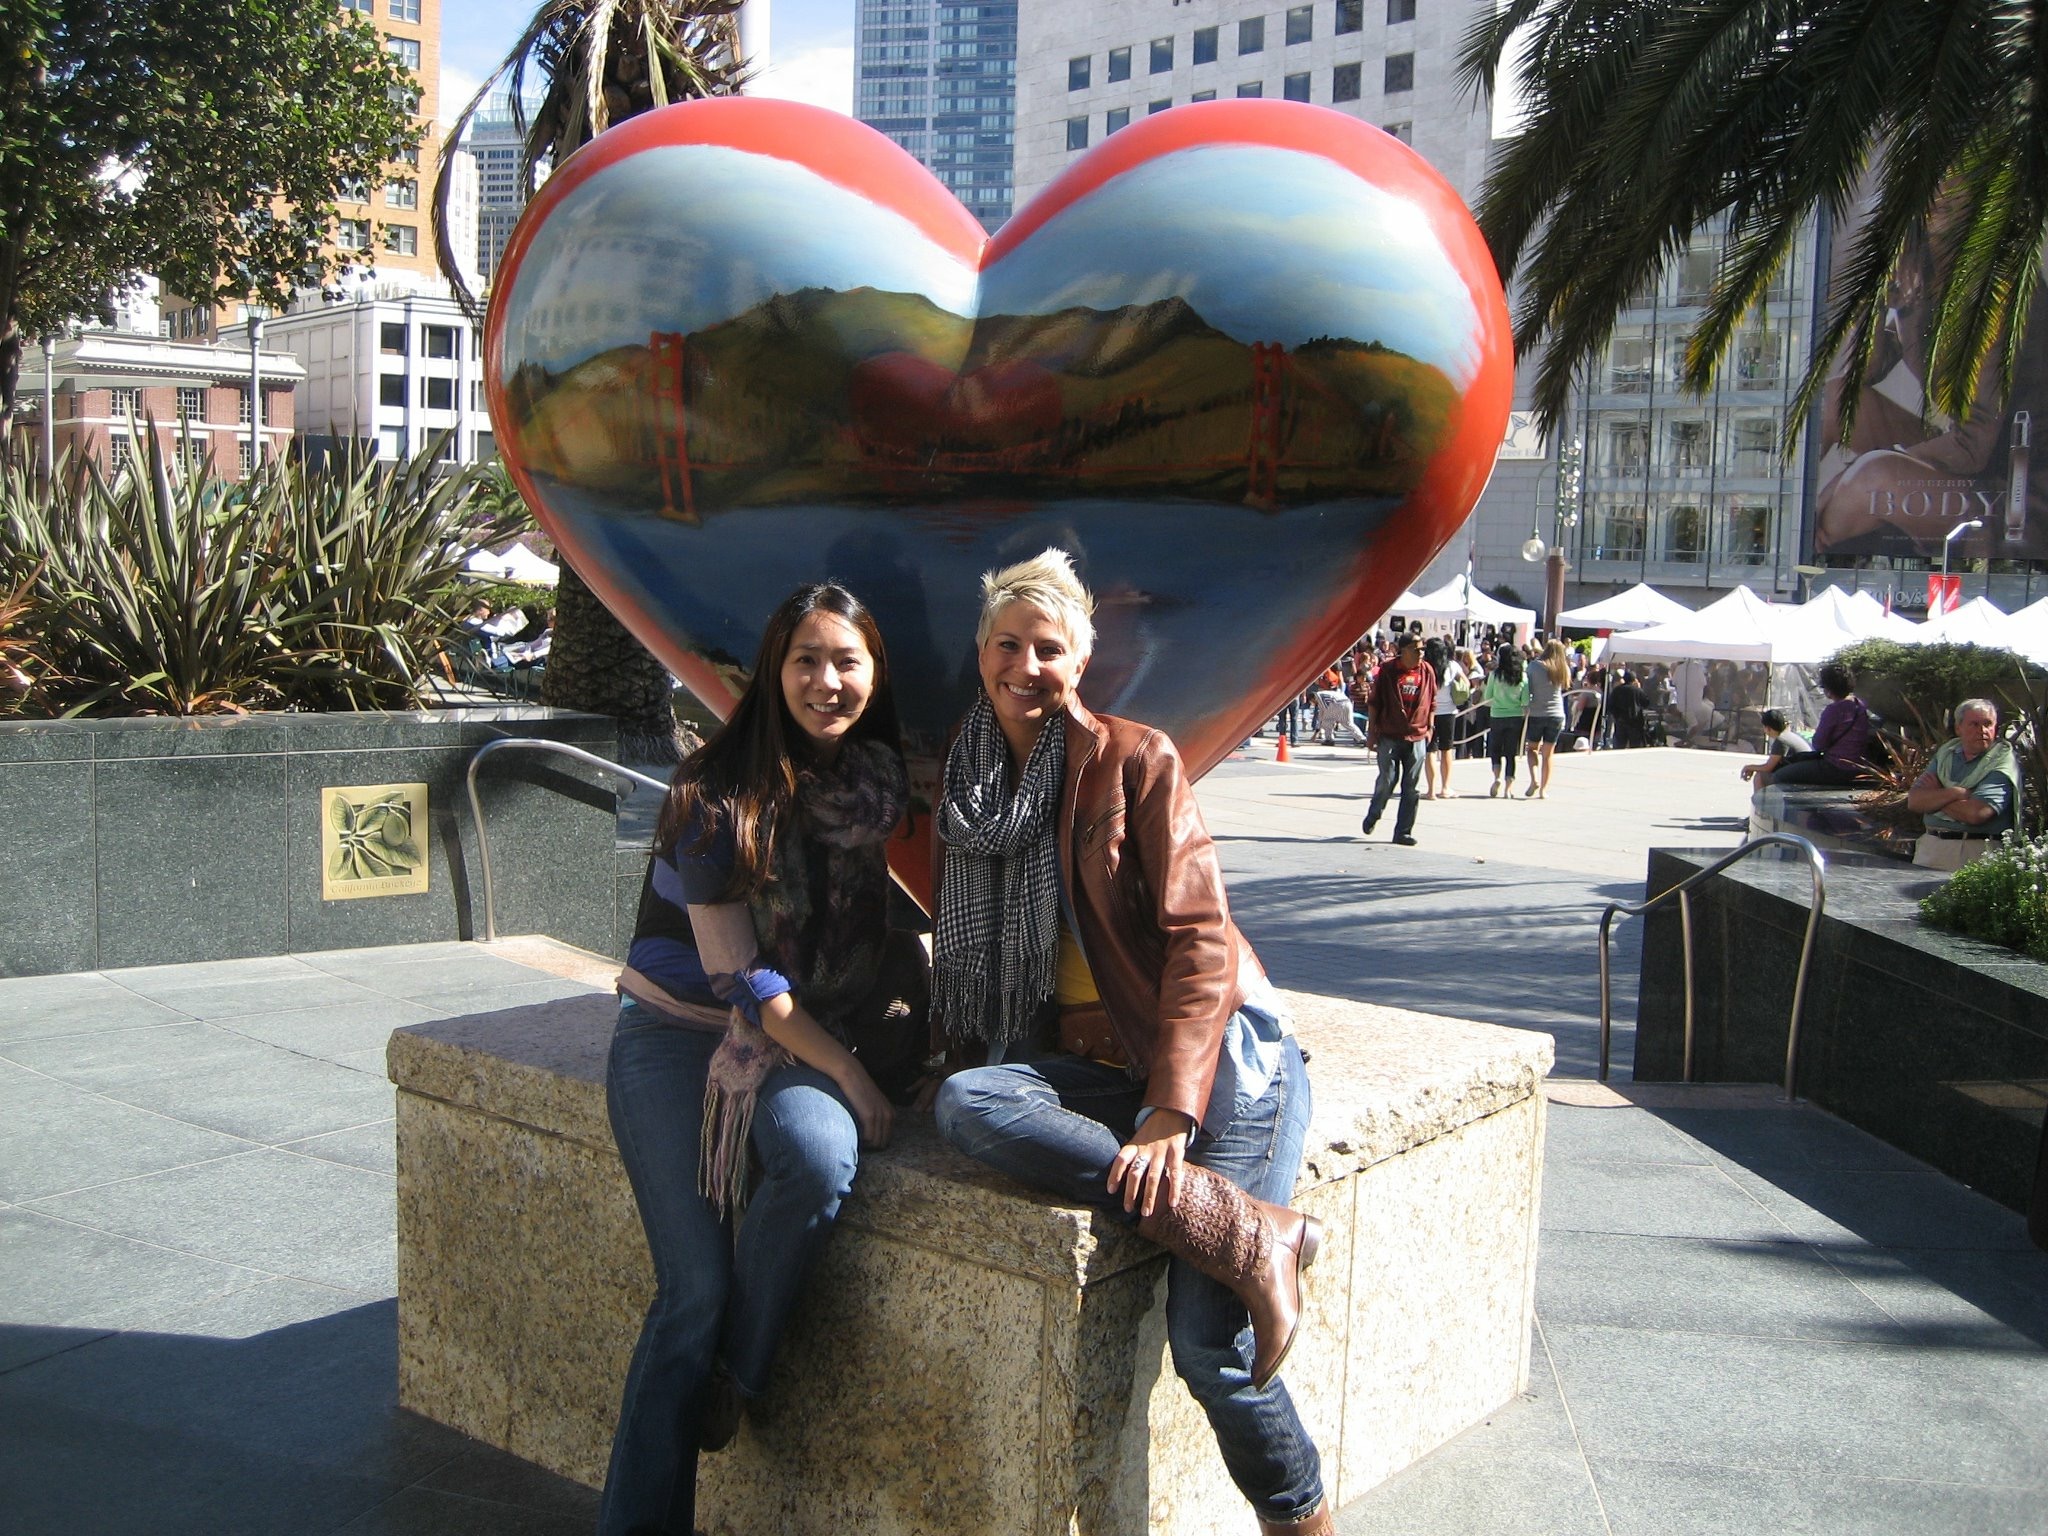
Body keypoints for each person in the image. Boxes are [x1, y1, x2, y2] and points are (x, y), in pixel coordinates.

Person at [929, 550, 1332, 1536]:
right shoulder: (972, 784)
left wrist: (1169, 1112)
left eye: (1048, 648)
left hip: (1223, 1060)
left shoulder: (1133, 759)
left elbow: (1201, 940)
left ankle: (1301, 1519)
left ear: (1082, 660)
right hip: (1100, 1065)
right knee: (967, 1101)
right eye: (1008, 645)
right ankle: (1248, 1230)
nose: (1027, 666)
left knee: (1210, 1348)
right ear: (981, 654)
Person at [601, 582, 920, 1536]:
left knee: (820, 1156)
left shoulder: (874, 785)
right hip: (678, 1036)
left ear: (875, 674)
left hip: (789, 1041)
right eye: (805, 661)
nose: (827, 682)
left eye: (847, 661)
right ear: (774, 673)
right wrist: (852, 1073)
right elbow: (746, 983)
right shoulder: (713, 794)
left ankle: (732, 1378)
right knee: (691, 1292)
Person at [1906, 698, 2022, 856]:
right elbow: (1915, 801)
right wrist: (1955, 793)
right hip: (1931, 846)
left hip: (1975, 850)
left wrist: (1936, 795)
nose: (1982, 730)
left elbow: (1976, 813)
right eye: (1974, 724)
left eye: (1988, 724)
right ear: (1958, 728)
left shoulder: (2001, 760)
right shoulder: (1946, 753)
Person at [1362, 632, 1436, 844]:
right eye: (1416, 649)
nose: (1420, 653)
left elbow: (1432, 701)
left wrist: (1430, 728)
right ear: (1402, 651)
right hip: (1390, 735)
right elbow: (1374, 703)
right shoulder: (1387, 670)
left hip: (1417, 736)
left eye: (1422, 649)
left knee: (1411, 786)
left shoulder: (1427, 671)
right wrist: (1371, 733)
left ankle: (1403, 831)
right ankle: (1375, 812)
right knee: (1387, 779)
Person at [1756, 662, 1873, 788]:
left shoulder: (1834, 710)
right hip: (1859, 767)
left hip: (1835, 767)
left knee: (1779, 776)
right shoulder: (1860, 705)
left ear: (1829, 689)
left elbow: (1818, 744)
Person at [1523, 639, 1570, 798]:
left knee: (1532, 749)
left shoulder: (1534, 666)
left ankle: (1534, 779)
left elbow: (1527, 687)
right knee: (1548, 753)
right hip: (1556, 713)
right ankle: (1543, 790)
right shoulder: (1563, 668)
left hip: (1537, 712)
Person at [1423, 638, 1468, 798]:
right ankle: (1445, 788)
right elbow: (1466, 683)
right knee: (1446, 749)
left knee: (1430, 751)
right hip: (1448, 712)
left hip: (1429, 712)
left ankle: (1430, 790)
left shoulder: (1424, 666)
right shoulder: (1452, 666)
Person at [1481, 646, 1529, 796]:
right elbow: (1525, 700)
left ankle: (1497, 777)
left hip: (1497, 715)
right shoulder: (1522, 676)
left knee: (1495, 749)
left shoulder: (1494, 675)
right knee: (1510, 752)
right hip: (1515, 715)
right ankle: (1508, 788)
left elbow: (1488, 697)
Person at [1740, 709, 1811, 784]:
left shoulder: (1781, 740)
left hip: (1803, 778)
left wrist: (1748, 767)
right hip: (1806, 772)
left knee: (1760, 776)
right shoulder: (1787, 735)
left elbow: (1768, 768)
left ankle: (1762, 793)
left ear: (1768, 728)